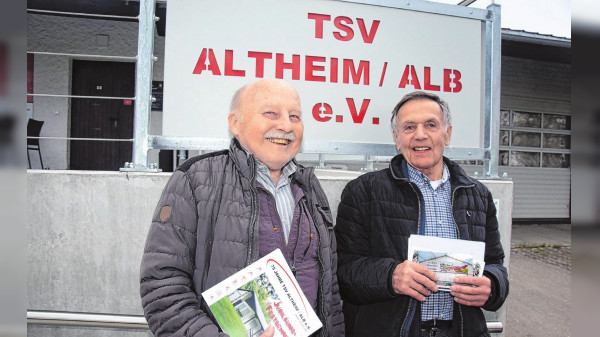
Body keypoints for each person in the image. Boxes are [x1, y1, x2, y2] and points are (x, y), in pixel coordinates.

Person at [140, 78, 344, 337]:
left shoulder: (310, 187)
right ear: (235, 123)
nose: (285, 125)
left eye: (295, 116)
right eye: (271, 113)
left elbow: (330, 292)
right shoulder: (196, 180)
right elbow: (162, 286)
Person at [334, 91, 509, 337]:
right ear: (397, 138)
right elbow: (343, 270)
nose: (420, 135)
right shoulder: (364, 191)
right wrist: (391, 277)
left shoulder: (478, 195)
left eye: (430, 125)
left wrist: (492, 286)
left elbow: (496, 264)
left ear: (447, 134)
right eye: (409, 127)